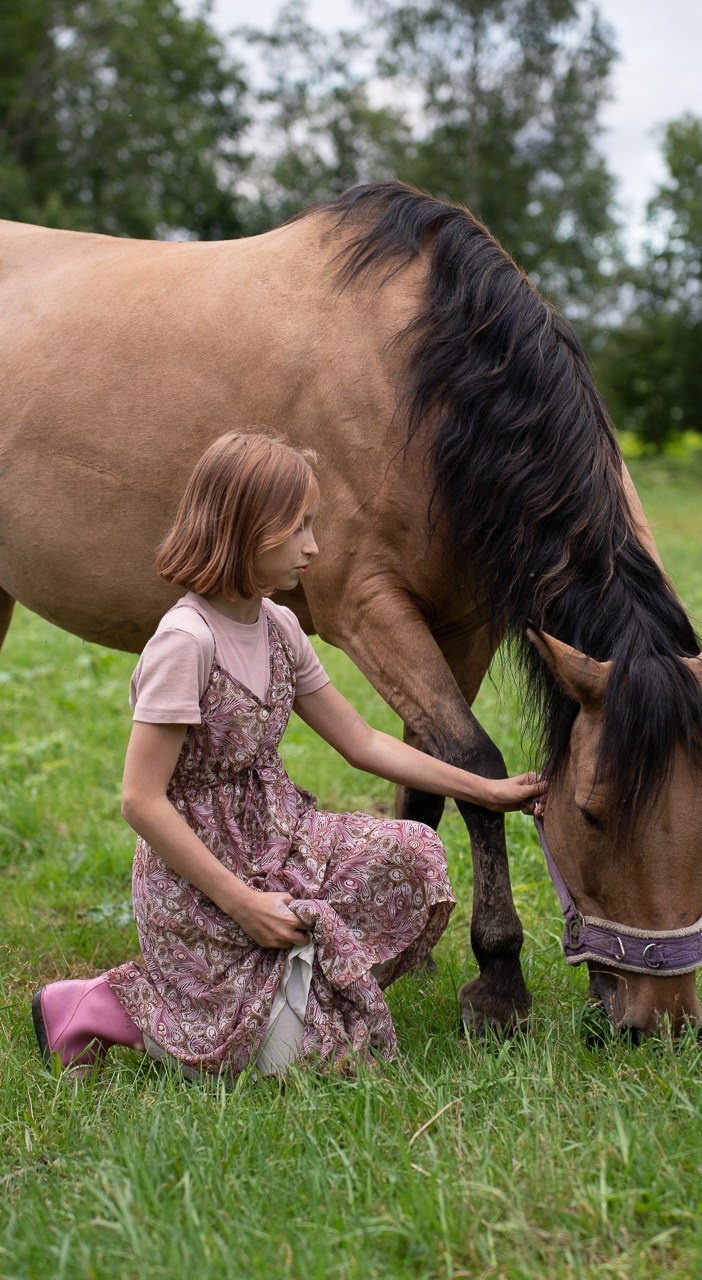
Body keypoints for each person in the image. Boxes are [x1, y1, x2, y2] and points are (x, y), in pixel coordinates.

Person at [32, 431, 545, 1079]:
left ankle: (294, 990)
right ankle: (103, 1004)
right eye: (298, 526)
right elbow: (141, 800)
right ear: (245, 528)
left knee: (416, 856)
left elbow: (361, 743)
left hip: (280, 842)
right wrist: (241, 903)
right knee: (315, 1062)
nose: (314, 546)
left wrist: (486, 789)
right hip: (199, 884)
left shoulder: (278, 626)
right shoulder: (185, 643)